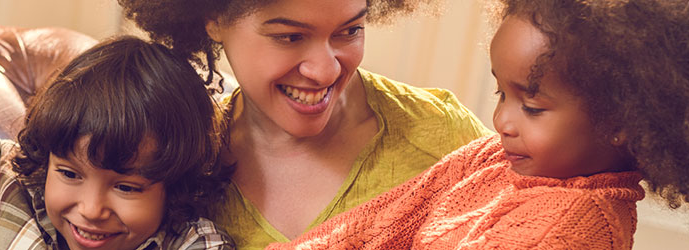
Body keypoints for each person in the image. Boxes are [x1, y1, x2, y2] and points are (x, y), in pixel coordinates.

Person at [269, 0, 689, 248]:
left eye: (533, 105)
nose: (501, 119)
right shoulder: (496, 158)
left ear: (625, 121)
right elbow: (373, 229)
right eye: (502, 91)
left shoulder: (571, 229)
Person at [118, 0, 492, 248]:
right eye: (289, 37)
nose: (326, 70)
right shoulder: (183, 155)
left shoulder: (443, 138)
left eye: (350, 31)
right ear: (213, 19)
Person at [0, 37, 234, 249]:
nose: (92, 209)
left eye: (126, 187)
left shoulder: (194, 243)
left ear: (176, 188)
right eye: (69, 174)